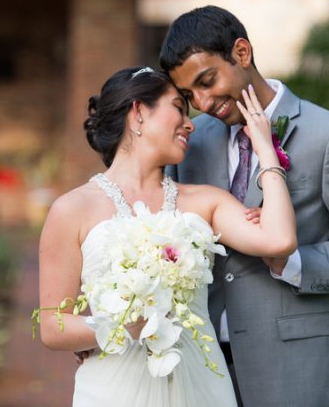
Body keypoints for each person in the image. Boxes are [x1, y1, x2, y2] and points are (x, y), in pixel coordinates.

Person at [161, 6, 329, 406]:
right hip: (202, 368)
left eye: (207, 81)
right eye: (190, 95)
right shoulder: (190, 142)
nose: (203, 102)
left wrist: (295, 264)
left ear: (242, 53)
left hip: (297, 369)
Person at [39, 67, 298, 406]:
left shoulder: (206, 202)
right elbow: (52, 327)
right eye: (178, 107)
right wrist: (118, 326)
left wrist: (266, 150)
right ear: (138, 111)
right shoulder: (70, 209)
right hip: (114, 389)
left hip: (202, 385)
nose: (190, 123)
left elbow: (279, 240)